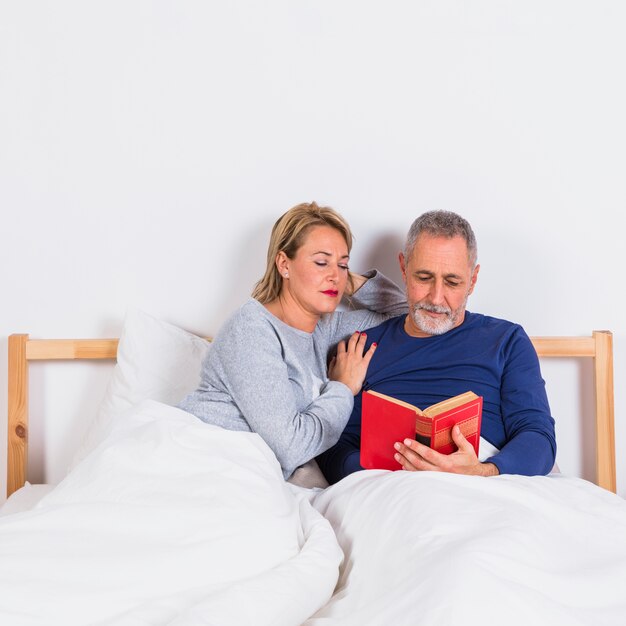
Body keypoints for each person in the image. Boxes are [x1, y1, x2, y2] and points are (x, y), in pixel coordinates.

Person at [317, 210, 557, 484]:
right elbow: (334, 447)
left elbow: (539, 436)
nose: (436, 297)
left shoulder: (507, 341)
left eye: (453, 282)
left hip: (483, 483)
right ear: (404, 269)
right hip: (391, 489)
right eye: (423, 277)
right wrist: (382, 475)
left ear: (473, 280)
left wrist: (482, 471)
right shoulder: (362, 348)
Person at [178, 202, 407, 480]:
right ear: (284, 264)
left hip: (243, 474)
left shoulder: (323, 328)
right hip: (200, 460)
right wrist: (343, 388)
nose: (334, 274)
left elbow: (405, 313)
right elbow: (291, 448)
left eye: (343, 263)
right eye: (321, 262)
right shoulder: (252, 330)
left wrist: (343, 279)